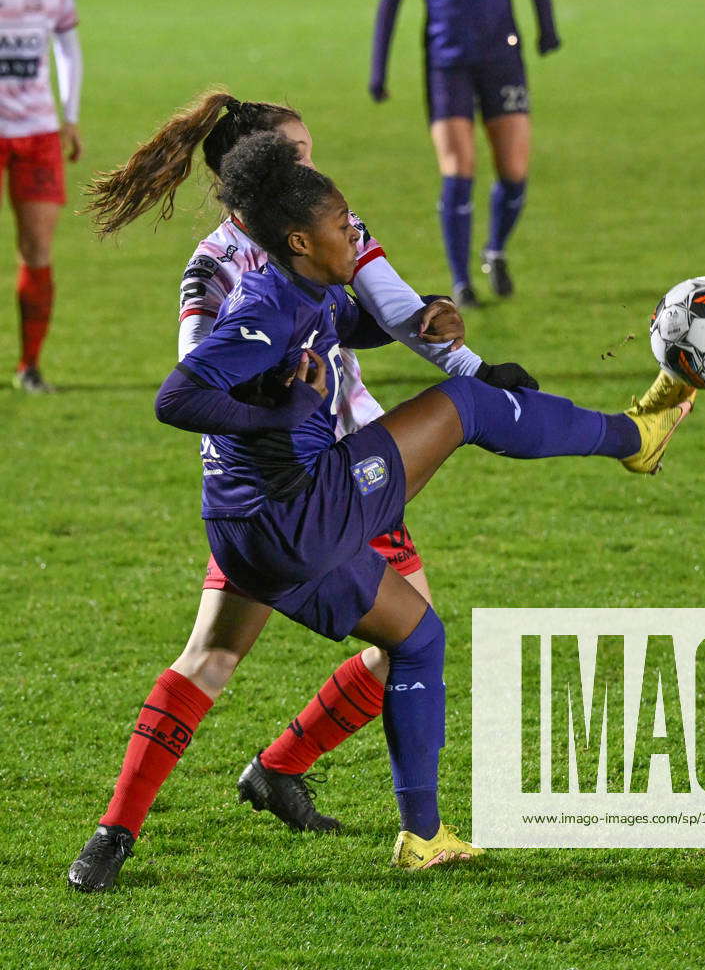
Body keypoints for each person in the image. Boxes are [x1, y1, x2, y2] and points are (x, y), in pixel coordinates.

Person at [111, 132, 694, 873]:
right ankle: (634, 436)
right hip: (304, 503)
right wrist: (275, 417)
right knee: (463, 409)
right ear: (289, 222)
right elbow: (183, 389)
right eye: (338, 213)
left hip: (258, 520)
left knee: (415, 639)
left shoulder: (302, 277)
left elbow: (347, 320)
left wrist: (425, 318)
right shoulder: (243, 285)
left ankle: (420, 836)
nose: (353, 228)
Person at [68, 93, 539, 892]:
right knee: (390, 644)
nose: (312, 169)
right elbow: (196, 375)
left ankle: (176, 810)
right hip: (299, 489)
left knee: (240, 654)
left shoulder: (316, 231)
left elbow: (370, 313)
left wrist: (440, 334)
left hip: (326, 479)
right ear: (251, 179)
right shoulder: (219, 267)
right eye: (296, 157)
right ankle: (196, 802)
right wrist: (279, 406)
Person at [369, 0, 559, 308]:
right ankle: (462, 283)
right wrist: (378, 70)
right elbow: (390, 0)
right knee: (457, 171)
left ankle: (495, 249)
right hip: (447, 65)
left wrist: (547, 27)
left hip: (502, 58)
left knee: (514, 172)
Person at [1, 0, 83, 392]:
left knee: (36, 248)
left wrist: (70, 115)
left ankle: (29, 365)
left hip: (38, 134)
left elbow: (67, 47)